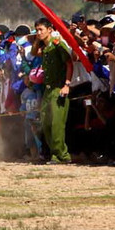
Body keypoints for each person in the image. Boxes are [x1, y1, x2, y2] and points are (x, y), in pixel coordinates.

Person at [34, 17, 74, 163]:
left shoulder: (57, 45)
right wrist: (37, 40)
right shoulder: (45, 48)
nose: (38, 33)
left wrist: (67, 85)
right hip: (48, 89)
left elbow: (69, 63)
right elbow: (33, 52)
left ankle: (62, 155)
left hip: (59, 88)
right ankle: (54, 153)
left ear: (50, 30)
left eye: (41, 30)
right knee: (46, 123)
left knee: (57, 124)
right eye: (36, 30)